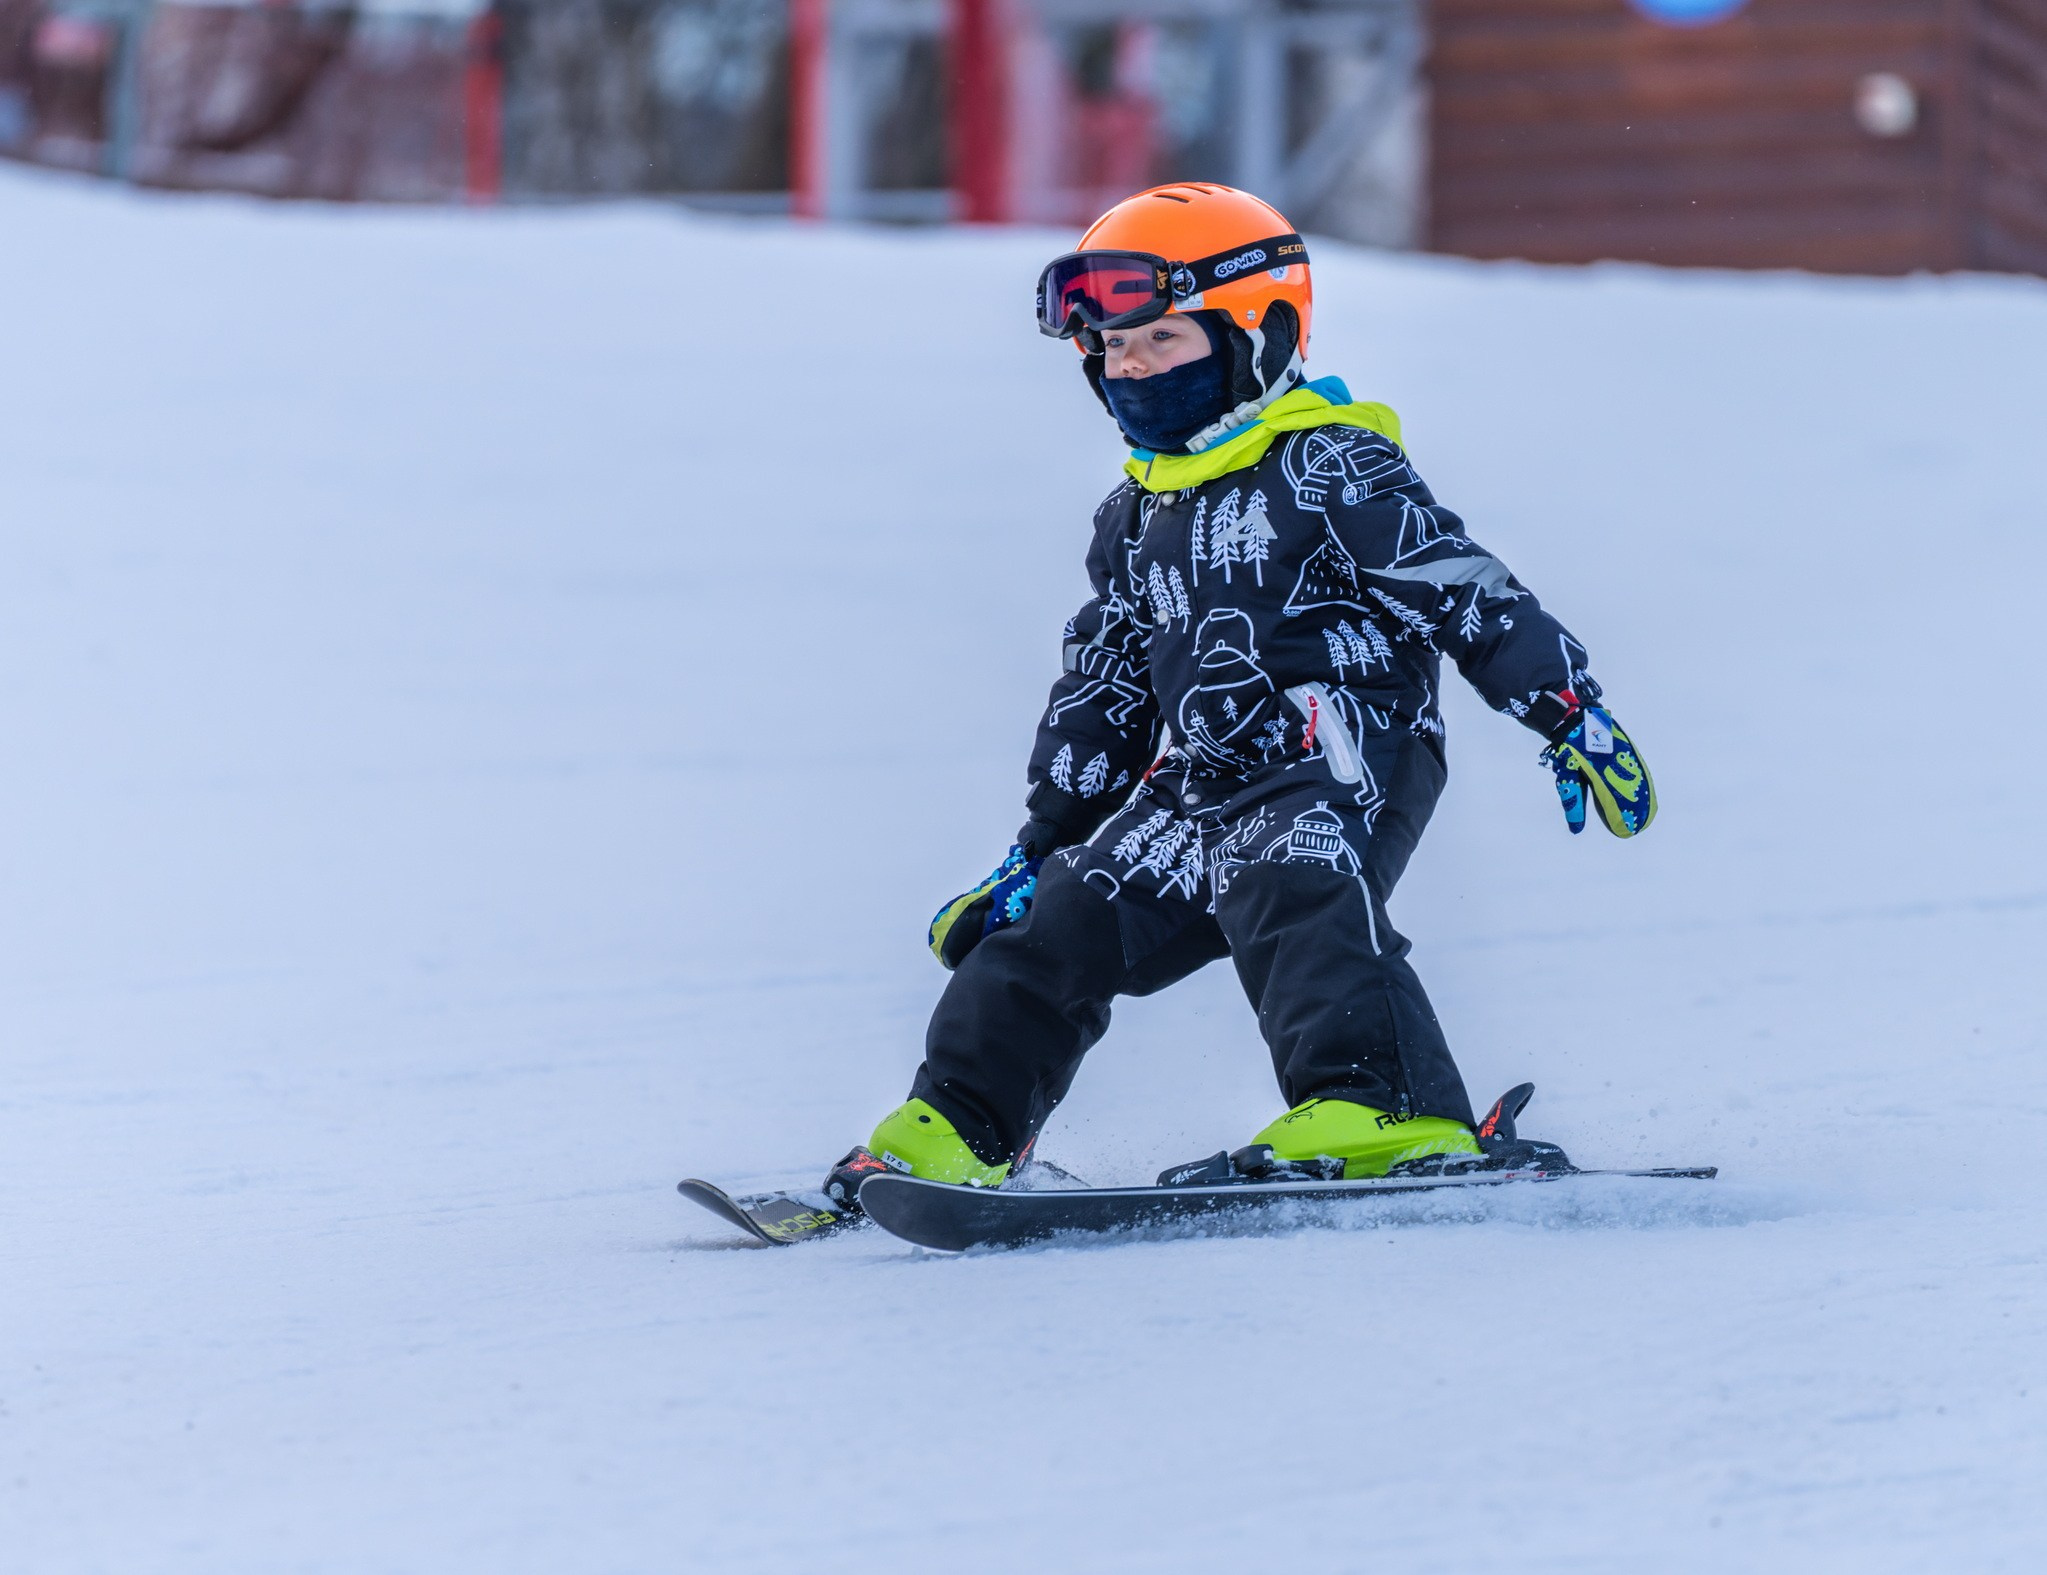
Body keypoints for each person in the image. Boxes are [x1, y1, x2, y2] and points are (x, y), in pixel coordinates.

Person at [824, 182, 1656, 1208]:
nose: (1130, 368)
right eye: (1110, 350)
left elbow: (1457, 584)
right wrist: (1039, 847)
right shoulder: (1133, 515)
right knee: (1058, 920)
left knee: (1289, 873)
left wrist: (1566, 710)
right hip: (1205, 777)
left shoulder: (1330, 464)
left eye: (1160, 340)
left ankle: (1384, 1107)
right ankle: (961, 1127)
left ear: (1259, 336)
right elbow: (1106, 682)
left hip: (1343, 747)